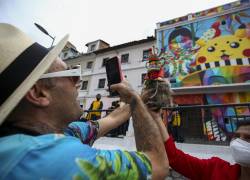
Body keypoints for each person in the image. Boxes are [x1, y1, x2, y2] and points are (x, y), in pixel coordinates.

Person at [0, 23, 169, 179]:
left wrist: (139, 97)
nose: (78, 80)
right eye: (69, 74)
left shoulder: (61, 132)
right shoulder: (53, 157)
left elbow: (113, 118)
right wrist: (134, 100)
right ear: (39, 94)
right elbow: (157, 164)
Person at [141, 81, 250, 180]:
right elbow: (175, 158)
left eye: (248, 138)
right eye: (237, 136)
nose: (239, 142)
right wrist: (156, 118)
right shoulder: (215, 169)